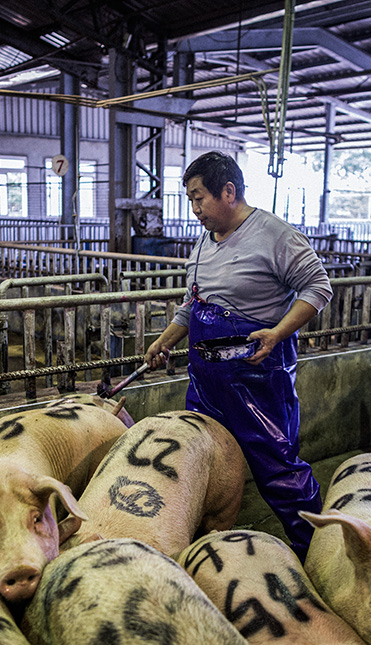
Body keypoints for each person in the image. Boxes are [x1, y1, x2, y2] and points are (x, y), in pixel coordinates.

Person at [144, 151, 332, 561]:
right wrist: (166, 340)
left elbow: (318, 288)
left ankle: (320, 552)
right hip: (206, 376)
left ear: (228, 191)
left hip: (256, 374)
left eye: (200, 198)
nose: (195, 210)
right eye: (191, 200)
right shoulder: (203, 241)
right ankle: (195, 550)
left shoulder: (274, 234)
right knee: (199, 458)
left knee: (277, 468)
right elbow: (193, 304)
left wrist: (279, 332)